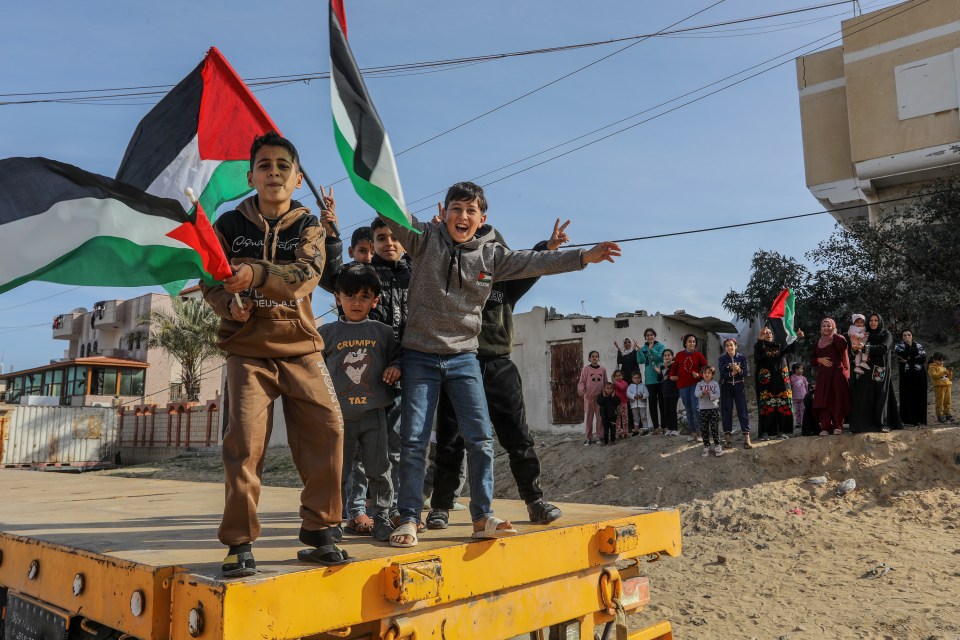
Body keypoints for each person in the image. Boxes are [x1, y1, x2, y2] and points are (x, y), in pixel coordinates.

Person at [378, 181, 620, 547]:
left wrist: (584, 257)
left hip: (464, 358)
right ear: (443, 214)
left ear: (481, 219)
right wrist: (372, 173)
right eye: (456, 209)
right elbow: (391, 213)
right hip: (421, 356)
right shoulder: (423, 239)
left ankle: (482, 516)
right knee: (414, 441)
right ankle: (410, 517)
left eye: (470, 211)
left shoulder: (492, 257)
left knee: (481, 439)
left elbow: (536, 261)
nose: (463, 216)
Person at [201, 131, 349, 576]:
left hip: (302, 348)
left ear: (298, 178)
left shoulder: (310, 226)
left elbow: (306, 274)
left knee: (329, 429)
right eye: (264, 165)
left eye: (283, 166)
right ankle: (239, 542)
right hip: (247, 351)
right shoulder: (228, 225)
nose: (274, 172)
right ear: (251, 176)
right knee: (243, 444)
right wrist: (231, 304)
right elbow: (211, 279)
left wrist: (255, 274)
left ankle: (320, 529)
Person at [430, 224, 569, 532]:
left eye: (495, 251)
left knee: (518, 437)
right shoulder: (454, 276)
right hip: (457, 364)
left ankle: (534, 501)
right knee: (450, 441)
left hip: (498, 366)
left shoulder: (507, 282)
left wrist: (548, 246)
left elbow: (534, 264)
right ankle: (440, 506)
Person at [319, 263, 400, 542]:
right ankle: (333, 521)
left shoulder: (383, 333)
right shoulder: (326, 333)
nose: (356, 302)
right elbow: (313, 369)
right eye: (349, 296)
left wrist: (395, 368)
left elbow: (398, 358)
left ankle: (382, 517)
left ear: (375, 301)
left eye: (364, 297)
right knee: (337, 472)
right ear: (337, 298)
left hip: (374, 415)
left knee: (379, 469)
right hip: (338, 418)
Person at [848, 313, 902, 433]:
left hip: (879, 369)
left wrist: (865, 348)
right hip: (865, 369)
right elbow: (854, 350)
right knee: (864, 395)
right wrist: (855, 349)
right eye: (871, 320)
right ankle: (862, 425)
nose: (873, 322)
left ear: (880, 322)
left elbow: (883, 348)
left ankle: (883, 423)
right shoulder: (865, 334)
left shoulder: (885, 334)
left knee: (880, 395)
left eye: (875, 320)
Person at [753, 325, 804, 440]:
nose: (768, 334)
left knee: (783, 404)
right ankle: (765, 432)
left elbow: (791, 348)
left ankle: (781, 431)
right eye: (765, 333)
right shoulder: (759, 347)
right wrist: (760, 339)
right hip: (766, 383)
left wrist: (797, 337)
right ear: (762, 335)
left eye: (770, 332)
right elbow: (759, 353)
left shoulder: (779, 346)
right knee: (767, 405)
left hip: (782, 381)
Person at [810, 318, 850, 435]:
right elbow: (812, 360)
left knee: (837, 399)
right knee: (824, 400)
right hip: (823, 377)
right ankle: (825, 427)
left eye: (829, 326)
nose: (826, 328)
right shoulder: (818, 343)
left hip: (837, 375)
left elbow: (842, 347)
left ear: (833, 327)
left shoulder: (838, 339)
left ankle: (838, 426)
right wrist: (819, 359)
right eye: (824, 326)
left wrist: (834, 334)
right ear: (821, 328)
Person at [671, 334, 708, 442]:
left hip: (695, 385)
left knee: (696, 408)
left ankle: (702, 432)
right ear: (685, 343)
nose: (692, 343)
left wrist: (700, 375)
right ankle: (693, 433)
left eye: (693, 341)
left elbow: (706, 368)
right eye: (689, 341)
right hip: (682, 386)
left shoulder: (699, 355)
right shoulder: (678, 355)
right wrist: (672, 376)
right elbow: (674, 368)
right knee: (688, 410)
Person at [718, 338, 752, 449]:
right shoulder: (722, 359)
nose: (729, 347)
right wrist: (732, 372)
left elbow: (746, 373)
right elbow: (722, 374)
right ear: (725, 348)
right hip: (726, 387)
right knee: (726, 411)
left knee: (742, 410)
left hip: (738, 386)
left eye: (731, 345)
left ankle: (747, 438)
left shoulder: (742, 358)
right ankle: (727, 438)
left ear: (735, 346)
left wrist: (739, 370)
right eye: (727, 346)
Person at [894, 329, 927, 426]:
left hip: (919, 375)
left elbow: (923, 358)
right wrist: (913, 357)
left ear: (912, 335)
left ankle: (920, 420)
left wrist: (908, 360)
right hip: (906, 375)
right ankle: (908, 420)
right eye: (904, 335)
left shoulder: (919, 345)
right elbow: (903, 355)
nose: (907, 337)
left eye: (909, 335)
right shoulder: (899, 346)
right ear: (902, 337)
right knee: (907, 396)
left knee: (919, 396)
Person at [637, 329, 666, 432]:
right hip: (649, 380)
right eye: (647, 335)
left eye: (651, 335)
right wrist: (639, 352)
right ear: (645, 337)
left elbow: (660, 358)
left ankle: (664, 426)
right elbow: (641, 361)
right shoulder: (644, 348)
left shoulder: (660, 346)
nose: (650, 337)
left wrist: (651, 349)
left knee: (662, 403)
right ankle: (656, 427)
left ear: (655, 336)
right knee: (652, 405)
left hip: (660, 378)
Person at [578, 350, 608, 445]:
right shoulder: (585, 369)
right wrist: (581, 388)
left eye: (596, 356)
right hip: (588, 398)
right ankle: (588, 437)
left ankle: (600, 436)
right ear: (589, 358)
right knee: (589, 419)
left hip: (599, 398)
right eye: (592, 356)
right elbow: (582, 382)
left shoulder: (602, 369)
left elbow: (605, 382)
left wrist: (606, 393)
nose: (594, 358)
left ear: (598, 358)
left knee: (600, 418)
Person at [615, 338, 642, 434]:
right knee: (627, 404)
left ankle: (638, 426)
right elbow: (619, 361)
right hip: (626, 381)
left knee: (636, 402)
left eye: (629, 342)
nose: (627, 344)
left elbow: (638, 360)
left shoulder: (635, 352)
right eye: (625, 342)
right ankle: (628, 426)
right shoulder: (623, 353)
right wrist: (618, 349)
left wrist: (636, 349)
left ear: (632, 343)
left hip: (634, 380)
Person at [695, 366, 723, 457]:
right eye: (705, 373)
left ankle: (717, 445)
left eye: (709, 373)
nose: (707, 374)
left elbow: (718, 394)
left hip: (714, 408)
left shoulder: (715, 384)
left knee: (714, 427)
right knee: (704, 428)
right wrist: (703, 393)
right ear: (702, 375)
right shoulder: (699, 384)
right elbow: (696, 394)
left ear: (712, 375)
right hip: (703, 409)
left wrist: (711, 395)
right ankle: (706, 445)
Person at [928, 352, 953, 423]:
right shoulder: (931, 367)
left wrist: (950, 372)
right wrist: (943, 373)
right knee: (940, 401)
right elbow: (934, 376)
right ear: (934, 360)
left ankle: (947, 413)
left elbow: (949, 378)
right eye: (939, 360)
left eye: (942, 360)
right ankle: (939, 415)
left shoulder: (943, 368)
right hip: (939, 387)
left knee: (947, 401)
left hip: (947, 385)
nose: (941, 362)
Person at [660, 348, 681, 437]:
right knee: (666, 411)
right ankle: (669, 429)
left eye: (669, 355)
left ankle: (675, 429)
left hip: (673, 391)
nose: (667, 357)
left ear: (672, 357)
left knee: (672, 410)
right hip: (665, 392)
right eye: (665, 355)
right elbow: (659, 378)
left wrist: (667, 374)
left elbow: (675, 376)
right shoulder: (662, 366)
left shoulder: (675, 365)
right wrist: (664, 368)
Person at [596, 382, 620, 446]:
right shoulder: (601, 396)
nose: (609, 390)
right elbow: (600, 402)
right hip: (604, 416)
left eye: (611, 388)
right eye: (607, 388)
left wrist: (612, 397)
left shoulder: (614, 396)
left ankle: (612, 440)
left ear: (613, 389)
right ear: (604, 389)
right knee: (605, 429)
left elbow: (617, 402)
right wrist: (604, 397)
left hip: (613, 416)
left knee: (612, 429)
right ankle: (605, 441)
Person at [627, 371, 649, 435]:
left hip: (642, 405)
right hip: (633, 405)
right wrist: (633, 396)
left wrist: (642, 396)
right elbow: (628, 393)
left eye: (638, 378)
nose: (637, 379)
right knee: (635, 417)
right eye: (635, 378)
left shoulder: (643, 386)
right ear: (632, 379)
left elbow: (647, 394)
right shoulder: (630, 386)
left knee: (643, 417)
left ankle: (645, 429)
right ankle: (636, 430)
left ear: (641, 378)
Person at [611, 369, 630, 439]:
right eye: (616, 376)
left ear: (622, 376)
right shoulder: (614, 384)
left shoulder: (624, 383)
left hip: (623, 403)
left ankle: (625, 432)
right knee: (617, 419)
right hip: (616, 404)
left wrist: (615, 383)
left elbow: (622, 388)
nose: (618, 377)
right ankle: (618, 433)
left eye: (619, 375)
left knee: (625, 418)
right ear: (614, 377)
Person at [790, 363, 808, 429]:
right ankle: (798, 423)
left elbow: (806, 387)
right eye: (801, 369)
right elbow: (790, 387)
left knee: (803, 410)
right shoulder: (791, 378)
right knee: (796, 411)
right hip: (795, 398)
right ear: (796, 370)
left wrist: (807, 394)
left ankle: (803, 422)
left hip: (803, 397)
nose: (802, 370)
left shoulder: (803, 378)